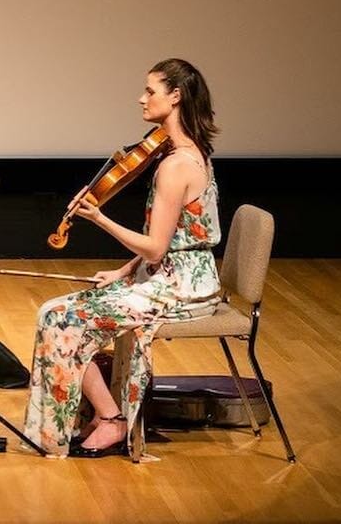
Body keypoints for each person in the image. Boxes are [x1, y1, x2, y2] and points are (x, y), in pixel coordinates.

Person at [23, 58, 222, 458]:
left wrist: (99, 218)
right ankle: (99, 413)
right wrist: (123, 271)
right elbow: (178, 238)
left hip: (179, 288)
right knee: (65, 311)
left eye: (150, 91)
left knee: (58, 317)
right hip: (180, 275)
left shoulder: (176, 165)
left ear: (176, 96)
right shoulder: (187, 152)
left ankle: (111, 419)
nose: (141, 98)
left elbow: (156, 247)